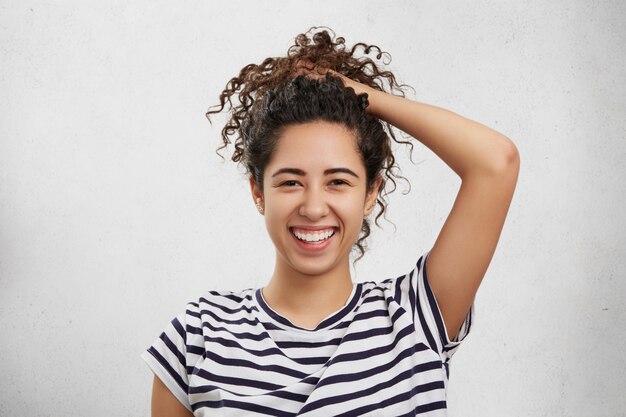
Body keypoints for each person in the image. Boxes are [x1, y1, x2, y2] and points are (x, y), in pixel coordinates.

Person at [141, 27, 520, 417]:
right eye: (291, 182)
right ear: (258, 192)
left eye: (338, 181)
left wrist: (359, 95)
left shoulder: (415, 317)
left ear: (371, 192)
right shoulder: (199, 335)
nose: (314, 206)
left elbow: (495, 162)